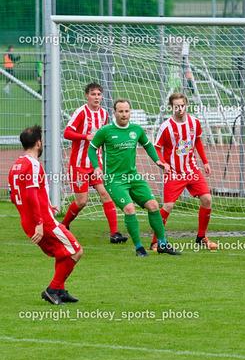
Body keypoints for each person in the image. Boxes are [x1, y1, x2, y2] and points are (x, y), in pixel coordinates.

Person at [88, 98, 181, 257]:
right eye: (121, 111)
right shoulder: (105, 131)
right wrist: (97, 167)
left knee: (153, 205)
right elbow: (92, 149)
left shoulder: (136, 129)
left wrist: (159, 162)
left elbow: (148, 145)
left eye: (127, 111)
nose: (124, 114)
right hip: (114, 179)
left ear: (130, 112)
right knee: (129, 209)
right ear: (114, 113)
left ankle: (162, 244)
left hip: (133, 177)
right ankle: (139, 247)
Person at [9, 125, 83, 305]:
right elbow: (30, 195)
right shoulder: (33, 165)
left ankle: (60, 290)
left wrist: (47, 206)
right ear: (38, 143)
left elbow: (14, 196)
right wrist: (40, 221)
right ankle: (52, 290)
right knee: (76, 251)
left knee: (62, 252)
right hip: (42, 222)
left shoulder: (15, 165)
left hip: (30, 220)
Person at [150, 93, 217, 251]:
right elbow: (156, 148)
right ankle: (156, 241)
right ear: (171, 107)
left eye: (182, 105)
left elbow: (198, 141)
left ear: (186, 105)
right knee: (168, 206)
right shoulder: (166, 126)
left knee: (207, 199)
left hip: (191, 170)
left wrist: (205, 162)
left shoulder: (194, 122)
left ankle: (201, 237)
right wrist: (162, 164)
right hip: (173, 172)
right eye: (176, 106)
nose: (179, 109)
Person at [61, 83, 125, 244]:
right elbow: (67, 133)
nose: (96, 97)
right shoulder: (80, 112)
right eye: (93, 94)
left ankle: (115, 233)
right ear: (86, 96)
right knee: (82, 201)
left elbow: (104, 136)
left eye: (98, 94)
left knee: (106, 193)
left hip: (96, 164)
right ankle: (64, 224)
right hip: (79, 164)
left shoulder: (103, 114)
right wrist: (86, 136)